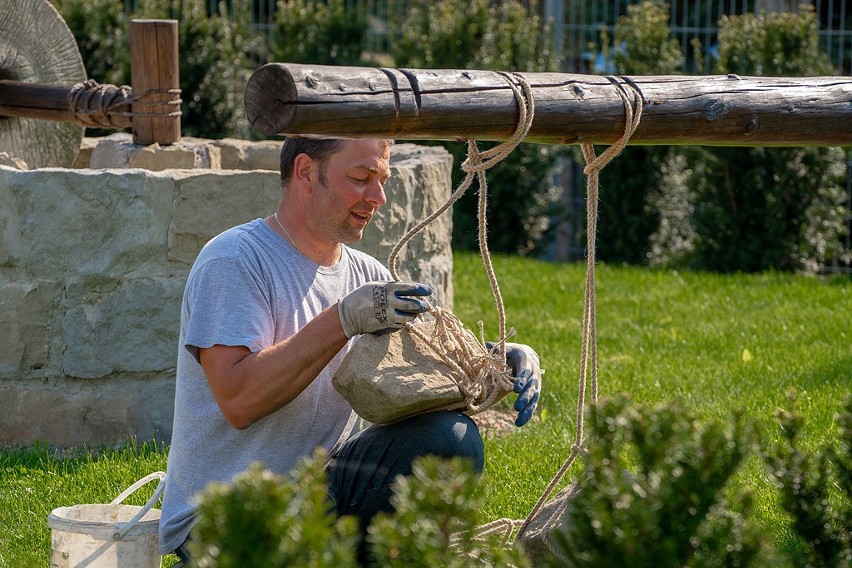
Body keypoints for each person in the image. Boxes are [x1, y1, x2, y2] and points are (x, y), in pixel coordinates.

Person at [157, 137, 542, 562]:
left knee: (450, 439)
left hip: (320, 493)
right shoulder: (235, 260)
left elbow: (435, 369)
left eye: (382, 179)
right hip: (225, 518)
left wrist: (496, 362)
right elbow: (239, 400)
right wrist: (340, 320)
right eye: (361, 178)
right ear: (305, 172)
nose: (378, 197)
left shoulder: (367, 275)